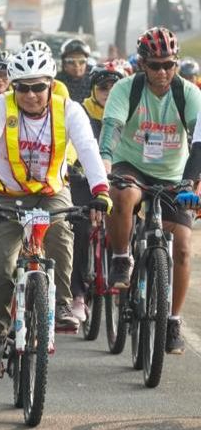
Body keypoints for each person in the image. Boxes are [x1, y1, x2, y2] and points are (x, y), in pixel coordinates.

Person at [0, 47, 111, 381]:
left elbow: (88, 149)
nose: (30, 95)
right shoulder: (1, 105)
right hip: (5, 194)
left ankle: (59, 302)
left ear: (51, 84)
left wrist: (101, 192)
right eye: (23, 87)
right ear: (13, 87)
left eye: (38, 87)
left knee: (60, 231)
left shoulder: (67, 109)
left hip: (50, 192)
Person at [100, 26, 201, 355]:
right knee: (124, 195)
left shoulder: (189, 94)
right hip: (131, 165)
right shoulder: (125, 90)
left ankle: (172, 321)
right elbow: (112, 127)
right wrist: (104, 160)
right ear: (142, 64)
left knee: (184, 246)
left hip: (174, 175)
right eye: (155, 65)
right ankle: (120, 258)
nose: (163, 72)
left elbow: (199, 144)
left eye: (169, 64)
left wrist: (193, 183)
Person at [69, 61, 128, 321]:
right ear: (93, 89)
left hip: (121, 179)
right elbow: (71, 144)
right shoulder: (80, 111)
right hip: (85, 179)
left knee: (131, 224)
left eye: (115, 86)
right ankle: (78, 294)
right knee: (79, 230)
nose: (108, 91)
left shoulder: (132, 110)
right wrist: (72, 167)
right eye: (103, 86)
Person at [55, 38, 92, 103]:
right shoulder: (56, 83)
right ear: (64, 64)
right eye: (71, 61)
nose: (77, 65)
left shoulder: (94, 82)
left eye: (82, 61)